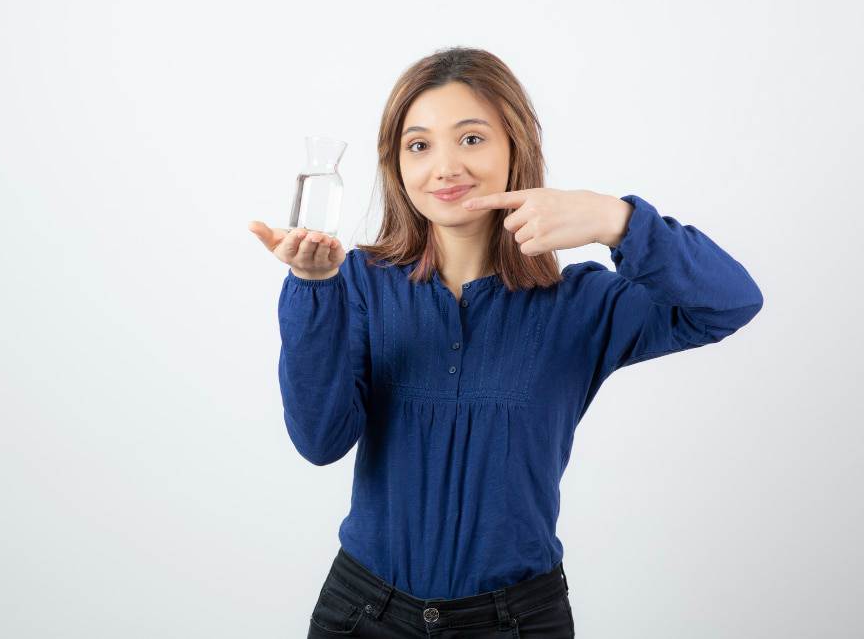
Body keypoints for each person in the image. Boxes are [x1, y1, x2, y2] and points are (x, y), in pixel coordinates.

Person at [248, 47, 763, 638]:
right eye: (420, 145)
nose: (444, 167)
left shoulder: (583, 304)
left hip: (517, 621)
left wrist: (616, 219)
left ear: (516, 148)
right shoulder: (359, 282)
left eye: (471, 139)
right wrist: (313, 288)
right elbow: (319, 441)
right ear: (397, 167)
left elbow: (731, 301)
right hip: (365, 614)